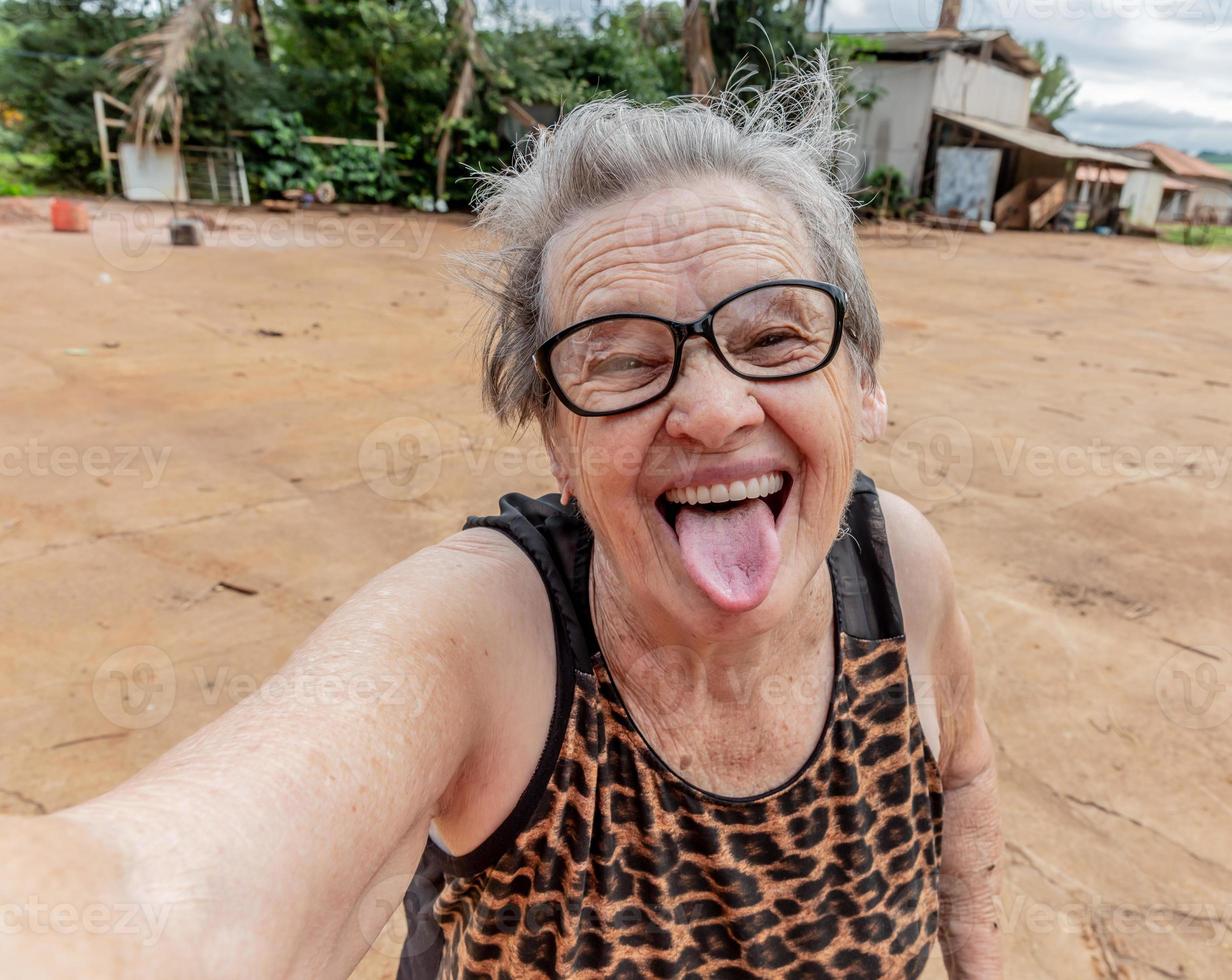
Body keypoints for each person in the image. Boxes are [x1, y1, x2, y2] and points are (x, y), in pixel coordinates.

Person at [3, 61, 1001, 978]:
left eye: (776, 334)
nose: (712, 408)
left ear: (863, 381)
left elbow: (965, 767)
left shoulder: (897, 564)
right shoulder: (488, 630)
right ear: (556, 441)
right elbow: (174, 892)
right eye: (620, 361)